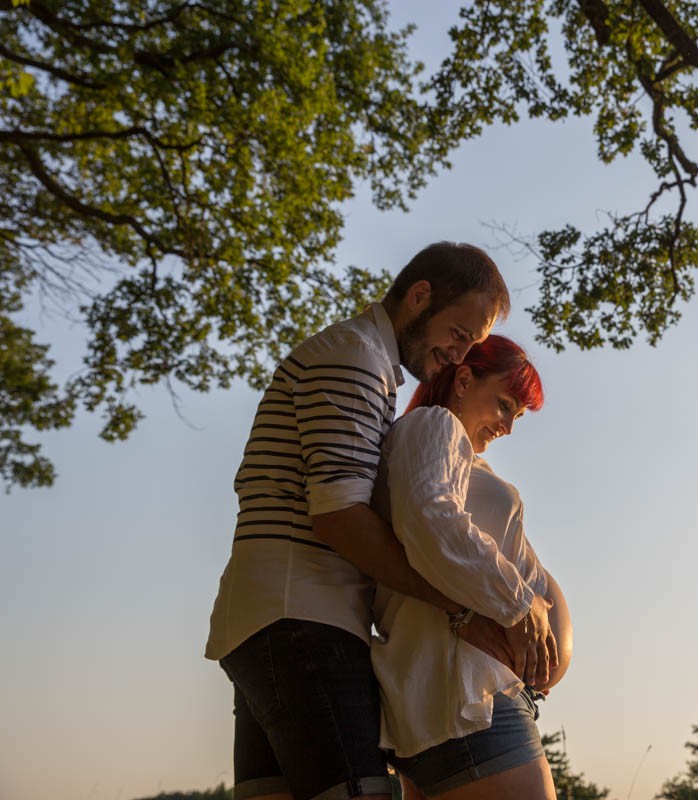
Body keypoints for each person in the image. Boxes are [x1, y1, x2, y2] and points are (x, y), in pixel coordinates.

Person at [205, 243, 555, 800]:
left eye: (470, 344)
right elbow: (340, 517)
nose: (458, 354)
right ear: (420, 296)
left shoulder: (365, 363)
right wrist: (465, 610)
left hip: (275, 619)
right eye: (459, 333)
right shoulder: (356, 356)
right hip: (304, 620)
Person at [371, 335, 573, 800]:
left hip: (470, 695)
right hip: (466, 699)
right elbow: (433, 521)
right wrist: (522, 607)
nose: (508, 426)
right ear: (463, 380)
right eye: (504, 405)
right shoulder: (434, 424)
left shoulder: (455, 455)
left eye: (517, 416)